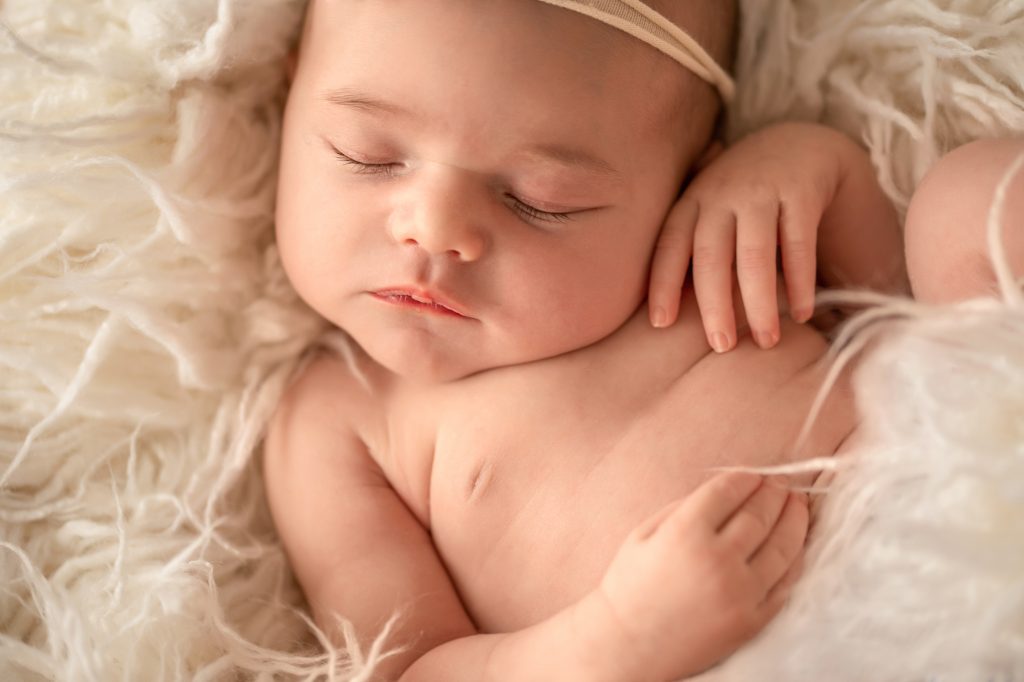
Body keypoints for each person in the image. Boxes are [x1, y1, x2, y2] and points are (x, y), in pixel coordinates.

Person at [262, 0, 1024, 679]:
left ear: (683, 179)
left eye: (540, 201)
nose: (433, 227)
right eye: (369, 155)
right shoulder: (336, 419)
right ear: (290, 99)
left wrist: (812, 168)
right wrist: (619, 639)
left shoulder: (689, 254)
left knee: (972, 202)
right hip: (778, 658)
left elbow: (881, 309)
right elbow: (407, 668)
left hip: (955, 485)